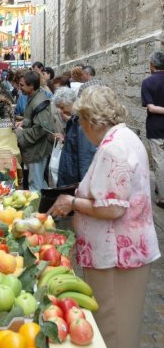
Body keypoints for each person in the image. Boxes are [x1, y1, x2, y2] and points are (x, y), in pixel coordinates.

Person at [47, 86, 160, 348]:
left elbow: (112, 208)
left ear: (89, 119)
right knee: (122, 326)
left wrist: (72, 201)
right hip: (125, 252)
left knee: (113, 329)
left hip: (116, 257)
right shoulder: (124, 136)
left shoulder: (112, 148)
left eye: (81, 121)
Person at [15, 71, 53, 191]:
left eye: (22, 85)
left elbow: (41, 128)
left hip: (38, 151)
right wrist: (25, 123)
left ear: (31, 86)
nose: (19, 88)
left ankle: (38, 208)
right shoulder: (34, 97)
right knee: (38, 181)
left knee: (35, 185)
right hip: (36, 150)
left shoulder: (38, 100)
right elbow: (34, 118)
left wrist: (20, 134)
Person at [52, 87, 96, 187]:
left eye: (62, 107)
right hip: (69, 177)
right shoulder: (73, 120)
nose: (60, 111)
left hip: (74, 181)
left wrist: (84, 186)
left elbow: (85, 158)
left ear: (71, 103)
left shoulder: (81, 124)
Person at [141, 51, 164, 208]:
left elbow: (151, 108)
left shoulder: (148, 82)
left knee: (160, 161)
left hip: (156, 127)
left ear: (152, 65)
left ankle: (162, 197)